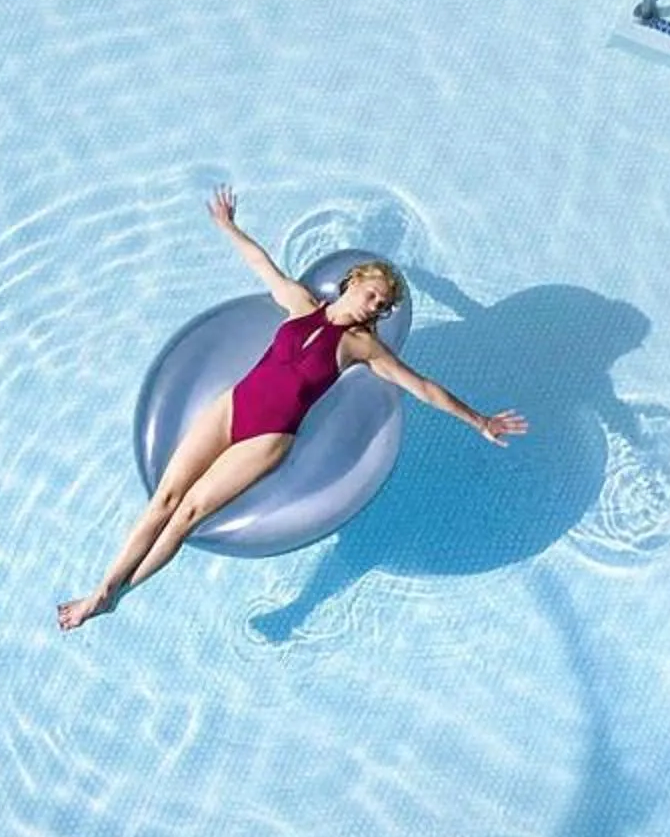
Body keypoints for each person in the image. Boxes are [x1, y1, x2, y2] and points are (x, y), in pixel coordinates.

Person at [58, 189, 526, 630]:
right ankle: (104, 587)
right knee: (163, 500)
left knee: (187, 515)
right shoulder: (301, 303)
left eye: (382, 307)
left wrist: (479, 420)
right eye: (371, 295)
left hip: (268, 438)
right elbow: (262, 265)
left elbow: (422, 386)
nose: (373, 308)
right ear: (352, 282)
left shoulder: (363, 347)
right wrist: (229, 227)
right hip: (233, 406)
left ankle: (110, 595)